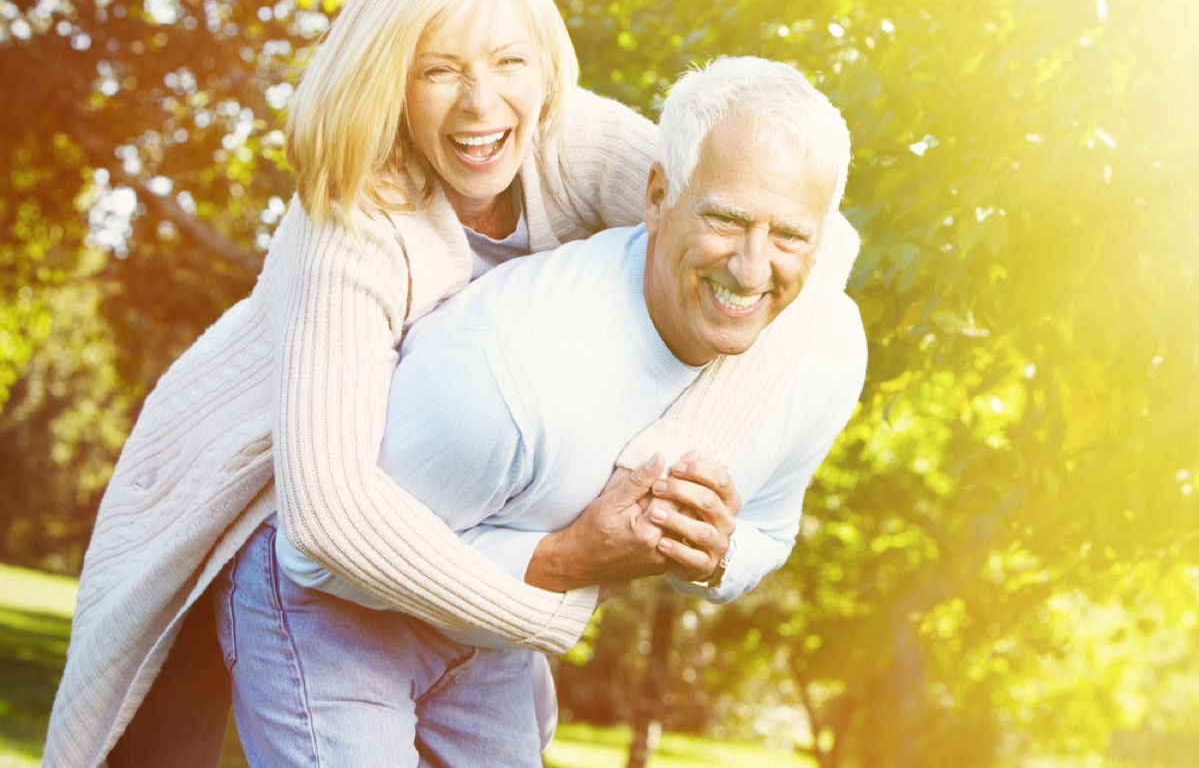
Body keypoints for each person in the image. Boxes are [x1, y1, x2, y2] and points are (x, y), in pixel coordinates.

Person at [43, 0, 860, 768]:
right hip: (251, 494)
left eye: (509, 62)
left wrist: (669, 470)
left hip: (453, 518)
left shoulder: (567, 141)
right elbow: (330, 517)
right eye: (439, 70)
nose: (481, 106)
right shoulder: (351, 222)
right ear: (392, 79)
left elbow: (807, 242)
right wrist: (558, 573)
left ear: (543, 65)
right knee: (148, 748)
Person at [229, 56, 865, 765]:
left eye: (789, 236)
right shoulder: (499, 372)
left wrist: (717, 554)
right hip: (335, 612)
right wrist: (571, 556)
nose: (752, 268)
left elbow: (769, 528)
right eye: (726, 218)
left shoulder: (826, 353)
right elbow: (325, 550)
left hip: (492, 632)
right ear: (656, 197)